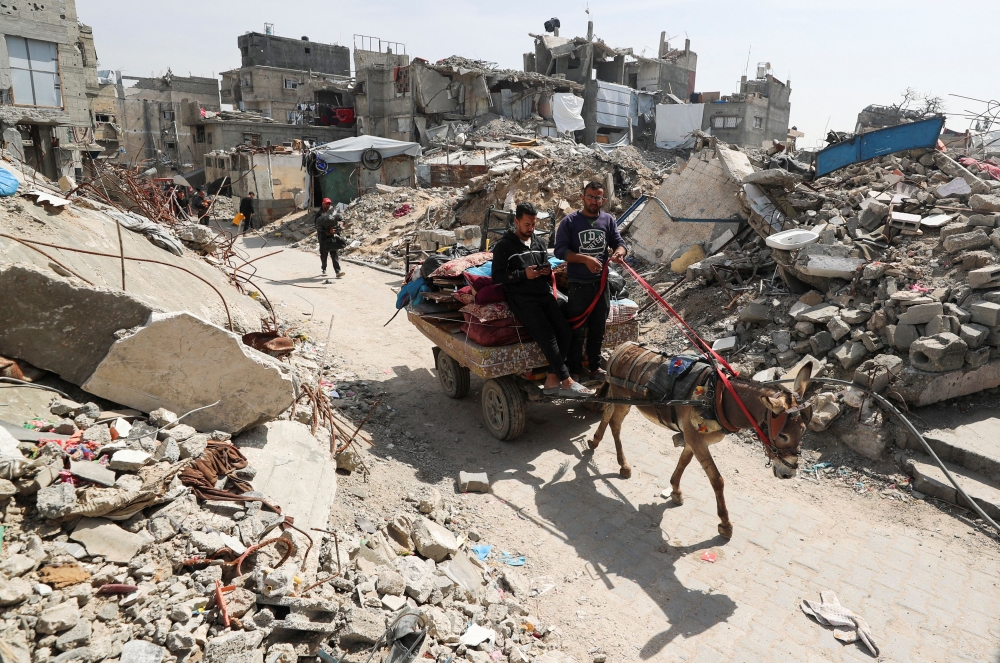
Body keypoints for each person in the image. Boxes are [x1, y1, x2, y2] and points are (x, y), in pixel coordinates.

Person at [492, 202, 594, 398]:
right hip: (522, 299)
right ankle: (566, 380)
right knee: (547, 336)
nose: (531, 229)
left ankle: (552, 378)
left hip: (543, 294)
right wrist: (522, 275)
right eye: (527, 225)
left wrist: (546, 271)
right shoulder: (504, 246)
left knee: (565, 331)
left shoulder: (538, 242)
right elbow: (497, 276)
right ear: (516, 221)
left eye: (533, 225)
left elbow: (545, 264)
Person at [554, 180, 627, 381]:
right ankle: (575, 370)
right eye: (591, 196)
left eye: (599, 197)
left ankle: (595, 367)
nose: (595, 201)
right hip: (578, 284)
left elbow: (619, 243)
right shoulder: (569, 222)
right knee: (577, 329)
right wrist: (583, 259)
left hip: (601, 284)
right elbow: (560, 250)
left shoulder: (608, 220)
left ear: (603, 199)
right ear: (582, 197)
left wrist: (619, 253)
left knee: (598, 328)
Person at [315, 198, 346, 277]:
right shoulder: (319, 214)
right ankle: (324, 268)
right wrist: (328, 232)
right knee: (324, 254)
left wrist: (341, 224)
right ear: (323, 204)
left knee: (334, 253)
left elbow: (342, 219)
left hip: (333, 236)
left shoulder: (333, 212)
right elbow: (318, 227)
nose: (328, 205)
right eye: (326, 204)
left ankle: (337, 272)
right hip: (323, 237)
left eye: (329, 204)